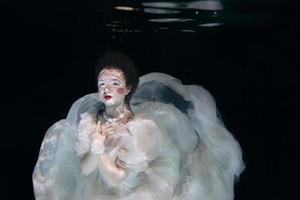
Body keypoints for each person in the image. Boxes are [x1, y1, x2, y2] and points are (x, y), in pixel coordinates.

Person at [33, 51, 245, 200]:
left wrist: (100, 152)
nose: (106, 88)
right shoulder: (90, 122)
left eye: (114, 83)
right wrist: (95, 145)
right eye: (102, 84)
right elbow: (87, 170)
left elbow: (118, 181)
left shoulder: (140, 129)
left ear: (128, 88)